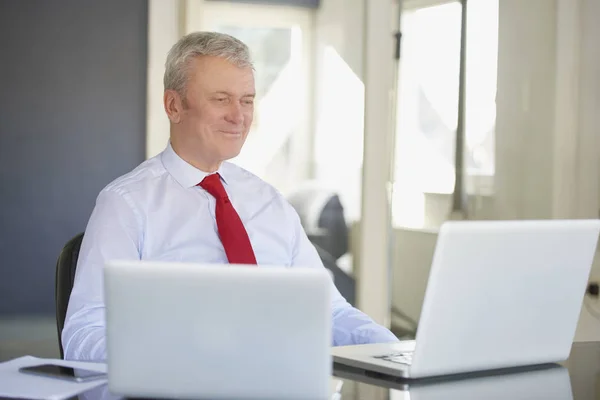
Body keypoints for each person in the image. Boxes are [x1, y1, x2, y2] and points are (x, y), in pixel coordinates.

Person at [62, 31, 398, 361]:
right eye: (221, 99)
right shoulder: (125, 205)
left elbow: (330, 312)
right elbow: (85, 331)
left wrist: (394, 352)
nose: (238, 116)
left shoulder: (269, 202)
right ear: (174, 105)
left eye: (247, 100)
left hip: (279, 382)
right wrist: (166, 363)